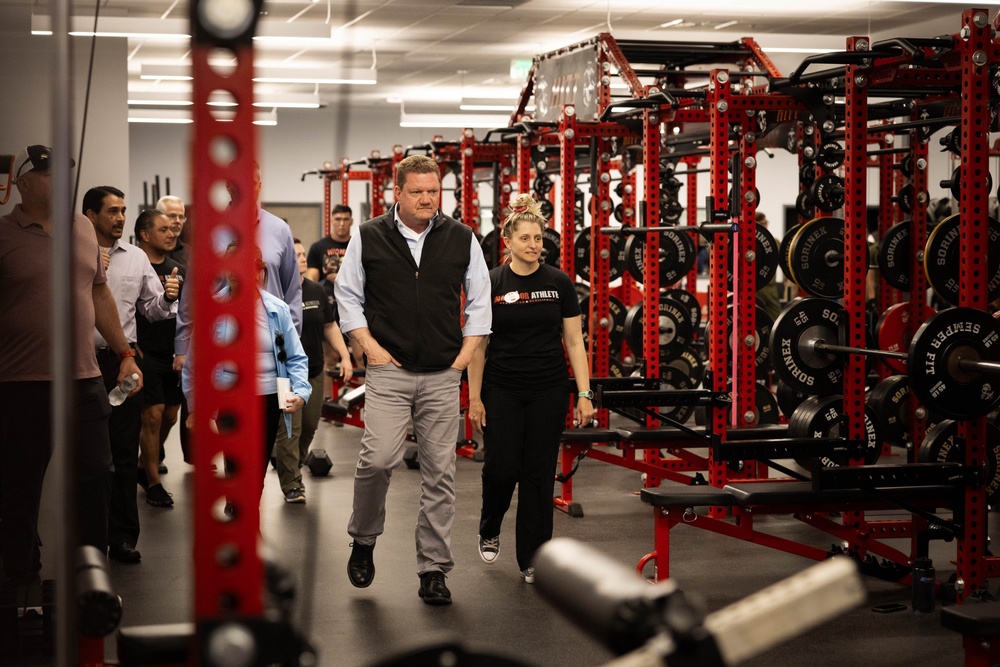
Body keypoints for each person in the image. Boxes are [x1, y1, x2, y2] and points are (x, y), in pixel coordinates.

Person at [334, 154, 492, 605]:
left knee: (441, 474)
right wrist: (369, 346)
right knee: (378, 460)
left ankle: (434, 570)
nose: (427, 199)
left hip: (444, 374)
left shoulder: (462, 238)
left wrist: (464, 357)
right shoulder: (368, 236)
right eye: (417, 191)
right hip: (389, 371)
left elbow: (480, 300)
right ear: (397, 193)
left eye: (433, 191)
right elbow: (347, 296)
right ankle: (363, 540)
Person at [0, 145, 140, 582]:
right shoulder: (4, 234)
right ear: (23, 183)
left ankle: (90, 578)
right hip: (21, 383)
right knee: (19, 489)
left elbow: (98, 293)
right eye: (47, 174)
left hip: (84, 380)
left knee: (97, 477)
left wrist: (125, 353)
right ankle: (22, 583)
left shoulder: (83, 228)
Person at [466, 194, 594, 584]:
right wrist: (474, 398)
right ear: (508, 241)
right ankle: (490, 526)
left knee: (538, 475)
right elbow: (479, 344)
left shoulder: (559, 282)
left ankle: (534, 556)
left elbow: (574, 341)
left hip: (548, 388)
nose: (534, 245)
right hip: (502, 387)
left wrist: (585, 394)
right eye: (526, 238)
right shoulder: (491, 281)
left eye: (538, 238)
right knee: (502, 468)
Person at [84, 186, 179, 564]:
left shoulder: (137, 257)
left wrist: (169, 297)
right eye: (112, 211)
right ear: (90, 215)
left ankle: (122, 537)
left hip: (122, 363)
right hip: (79, 362)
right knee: (88, 457)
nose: (120, 218)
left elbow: (153, 310)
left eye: (123, 210)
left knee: (124, 453)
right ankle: (86, 542)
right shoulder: (70, 253)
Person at [182, 243, 311, 500]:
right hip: (229, 396)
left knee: (258, 464)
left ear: (258, 272)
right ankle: (238, 506)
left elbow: (296, 357)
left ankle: (247, 512)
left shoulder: (277, 309)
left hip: (268, 397)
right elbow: (195, 363)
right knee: (235, 462)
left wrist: (301, 391)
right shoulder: (212, 310)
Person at [273, 240, 353, 503]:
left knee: (308, 426)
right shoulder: (277, 294)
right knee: (290, 429)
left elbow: (329, 326)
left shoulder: (316, 291)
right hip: (286, 373)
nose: (303, 258)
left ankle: (289, 462)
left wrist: (344, 356)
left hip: (314, 369)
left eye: (304, 253)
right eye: (297, 255)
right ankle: (292, 483)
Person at [134, 208, 185, 507]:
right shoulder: (133, 265)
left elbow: (188, 315)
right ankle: (153, 481)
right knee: (151, 415)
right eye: (164, 229)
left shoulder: (179, 269)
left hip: (174, 352)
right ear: (145, 234)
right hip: (144, 352)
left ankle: (145, 465)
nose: (171, 233)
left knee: (169, 415)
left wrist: (185, 349)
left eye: (172, 229)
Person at [307, 204, 361, 397]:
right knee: (330, 358)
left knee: (361, 357)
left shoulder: (358, 244)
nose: (341, 224)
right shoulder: (319, 247)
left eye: (345, 219)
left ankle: (365, 404)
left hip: (354, 307)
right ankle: (331, 403)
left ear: (351, 221)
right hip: (329, 308)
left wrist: (344, 278)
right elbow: (311, 278)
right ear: (332, 221)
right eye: (337, 219)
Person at [754, 211, 781, 321]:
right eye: (762, 223)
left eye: (766, 223)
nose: (765, 226)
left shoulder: (775, 242)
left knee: (775, 320)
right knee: (755, 319)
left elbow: (783, 261)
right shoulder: (748, 242)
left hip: (771, 287)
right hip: (755, 287)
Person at [157, 195, 190, 268]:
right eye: (172, 216)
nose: (178, 221)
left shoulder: (190, 254)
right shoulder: (149, 252)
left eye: (181, 217)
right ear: (159, 217)